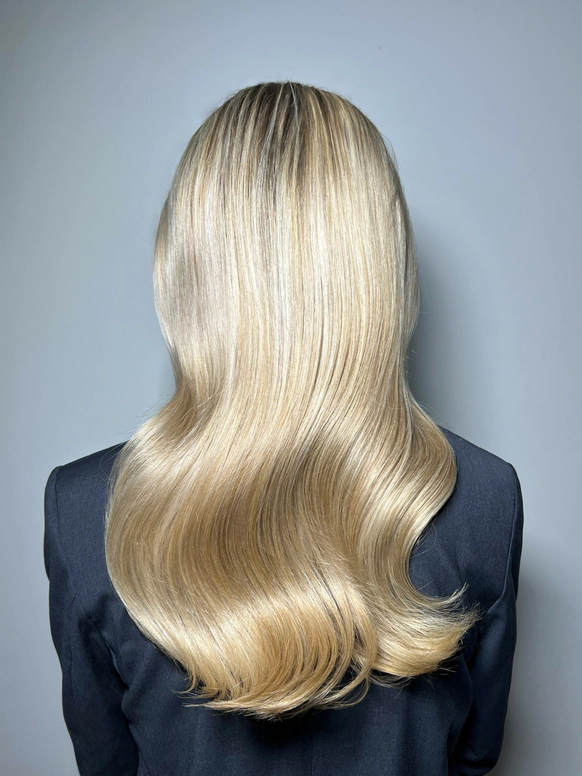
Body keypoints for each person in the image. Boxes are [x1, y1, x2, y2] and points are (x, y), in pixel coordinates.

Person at [44, 81, 524, 776]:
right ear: (379, 262)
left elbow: (106, 761)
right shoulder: (482, 497)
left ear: (190, 263)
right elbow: (474, 756)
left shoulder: (87, 507)